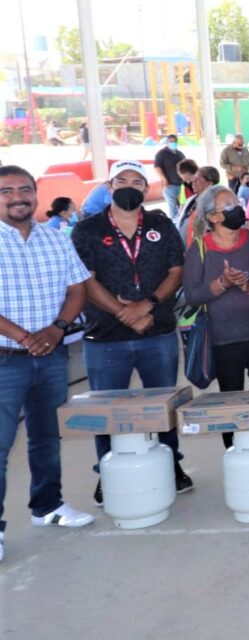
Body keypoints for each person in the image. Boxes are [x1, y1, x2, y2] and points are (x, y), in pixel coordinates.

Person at [71, 160, 191, 505]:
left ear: (145, 189)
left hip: (157, 330)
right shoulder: (87, 230)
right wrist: (124, 312)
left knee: (162, 406)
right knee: (107, 411)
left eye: (137, 181)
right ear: (109, 187)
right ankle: (108, 473)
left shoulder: (160, 224)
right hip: (105, 336)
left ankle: (171, 465)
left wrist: (147, 305)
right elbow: (85, 279)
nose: (129, 186)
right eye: (121, 180)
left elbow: (176, 270)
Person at [0, 165, 95, 563]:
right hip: (6, 360)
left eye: (25, 189)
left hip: (50, 356)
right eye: (6, 191)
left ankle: (47, 507)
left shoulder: (55, 238)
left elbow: (77, 288)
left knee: (45, 437)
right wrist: (24, 337)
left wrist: (56, 331)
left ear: (36, 194)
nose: (18, 196)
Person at [182, 185, 249, 449]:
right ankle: (235, 452)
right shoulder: (199, 250)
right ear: (212, 217)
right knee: (230, 401)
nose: (238, 207)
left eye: (236, 201)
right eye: (229, 204)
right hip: (223, 341)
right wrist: (223, 283)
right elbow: (192, 295)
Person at [177, 166, 220, 246]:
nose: (192, 181)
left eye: (197, 179)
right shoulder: (192, 199)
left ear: (209, 183)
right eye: (193, 178)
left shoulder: (217, 203)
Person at [154, 134, 186, 220]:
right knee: (173, 207)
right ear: (167, 142)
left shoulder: (180, 154)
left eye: (175, 141)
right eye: (171, 141)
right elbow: (157, 167)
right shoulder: (161, 153)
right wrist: (164, 179)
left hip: (182, 185)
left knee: (183, 207)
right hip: (170, 185)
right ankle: (174, 224)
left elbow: (186, 166)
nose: (173, 143)